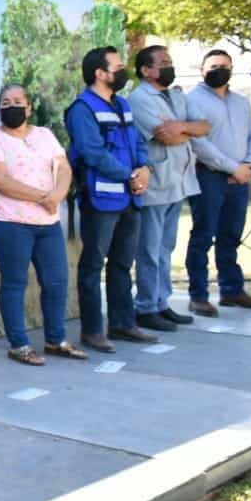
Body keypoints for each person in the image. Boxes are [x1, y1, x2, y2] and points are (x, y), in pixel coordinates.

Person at [0, 85, 86, 365]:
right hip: (10, 223)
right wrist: (44, 197)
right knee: (15, 283)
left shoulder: (44, 135)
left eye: (17, 101)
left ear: (28, 107)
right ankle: (19, 344)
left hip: (48, 224)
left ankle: (56, 339)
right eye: (5, 102)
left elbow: (63, 167)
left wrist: (58, 195)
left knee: (57, 282)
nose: (11, 106)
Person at [65, 46, 155, 353]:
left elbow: (138, 142)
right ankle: (92, 330)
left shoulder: (123, 104)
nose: (122, 71)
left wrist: (144, 169)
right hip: (101, 199)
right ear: (99, 74)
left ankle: (123, 323)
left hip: (130, 199)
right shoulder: (82, 109)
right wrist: (130, 175)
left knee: (122, 264)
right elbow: (92, 152)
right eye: (117, 67)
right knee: (92, 265)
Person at [129, 45, 208, 330]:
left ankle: (162, 303)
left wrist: (181, 127)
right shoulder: (139, 99)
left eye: (170, 61)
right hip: (156, 185)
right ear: (146, 70)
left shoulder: (177, 95)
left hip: (179, 183)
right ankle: (146, 306)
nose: (169, 66)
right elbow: (166, 138)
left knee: (165, 248)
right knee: (149, 250)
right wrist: (185, 130)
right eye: (163, 62)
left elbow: (204, 126)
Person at [185, 49, 251, 315]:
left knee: (231, 235)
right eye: (214, 66)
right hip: (209, 175)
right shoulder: (192, 101)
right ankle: (198, 295)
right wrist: (233, 167)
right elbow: (198, 143)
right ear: (202, 70)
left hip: (240, 177)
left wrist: (248, 164)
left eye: (225, 66)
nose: (219, 70)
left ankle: (232, 290)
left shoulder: (242, 102)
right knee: (203, 235)